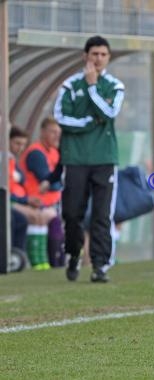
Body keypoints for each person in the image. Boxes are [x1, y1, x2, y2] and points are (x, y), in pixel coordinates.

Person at [54, 35, 125, 283]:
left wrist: (93, 87)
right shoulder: (70, 85)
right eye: (94, 54)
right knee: (72, 213)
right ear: (85, 56)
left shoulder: (114, 86)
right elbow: (62, 117)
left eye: (103, 54)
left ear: (108, 57)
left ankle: (100, 265)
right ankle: (73, 254)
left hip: (105, 158)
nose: (98, 58)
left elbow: (109, 112)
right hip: (75, 158)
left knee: (102, 215)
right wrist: (87, 123)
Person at [19, 116, 65, 267]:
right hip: (36, 202)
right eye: (52, 131)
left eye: (58, 132)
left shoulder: (54, 151)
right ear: (42, 132)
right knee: (55, 220)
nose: (56, 135)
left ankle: (56, 261)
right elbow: (47, 181)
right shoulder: (36, 153)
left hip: (51, 203)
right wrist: (63, 183)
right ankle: (47, 262)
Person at [8, 127, 57, 269]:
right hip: (9, 201)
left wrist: (28, 199)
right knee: (32, 217)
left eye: (23, 144)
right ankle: (31, 258)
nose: (20, 148)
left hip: (22, 200)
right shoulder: (5, 159)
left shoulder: (13, 162)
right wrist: (26, 200)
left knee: (39, 216)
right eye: (17, 143)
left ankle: (40, 258)